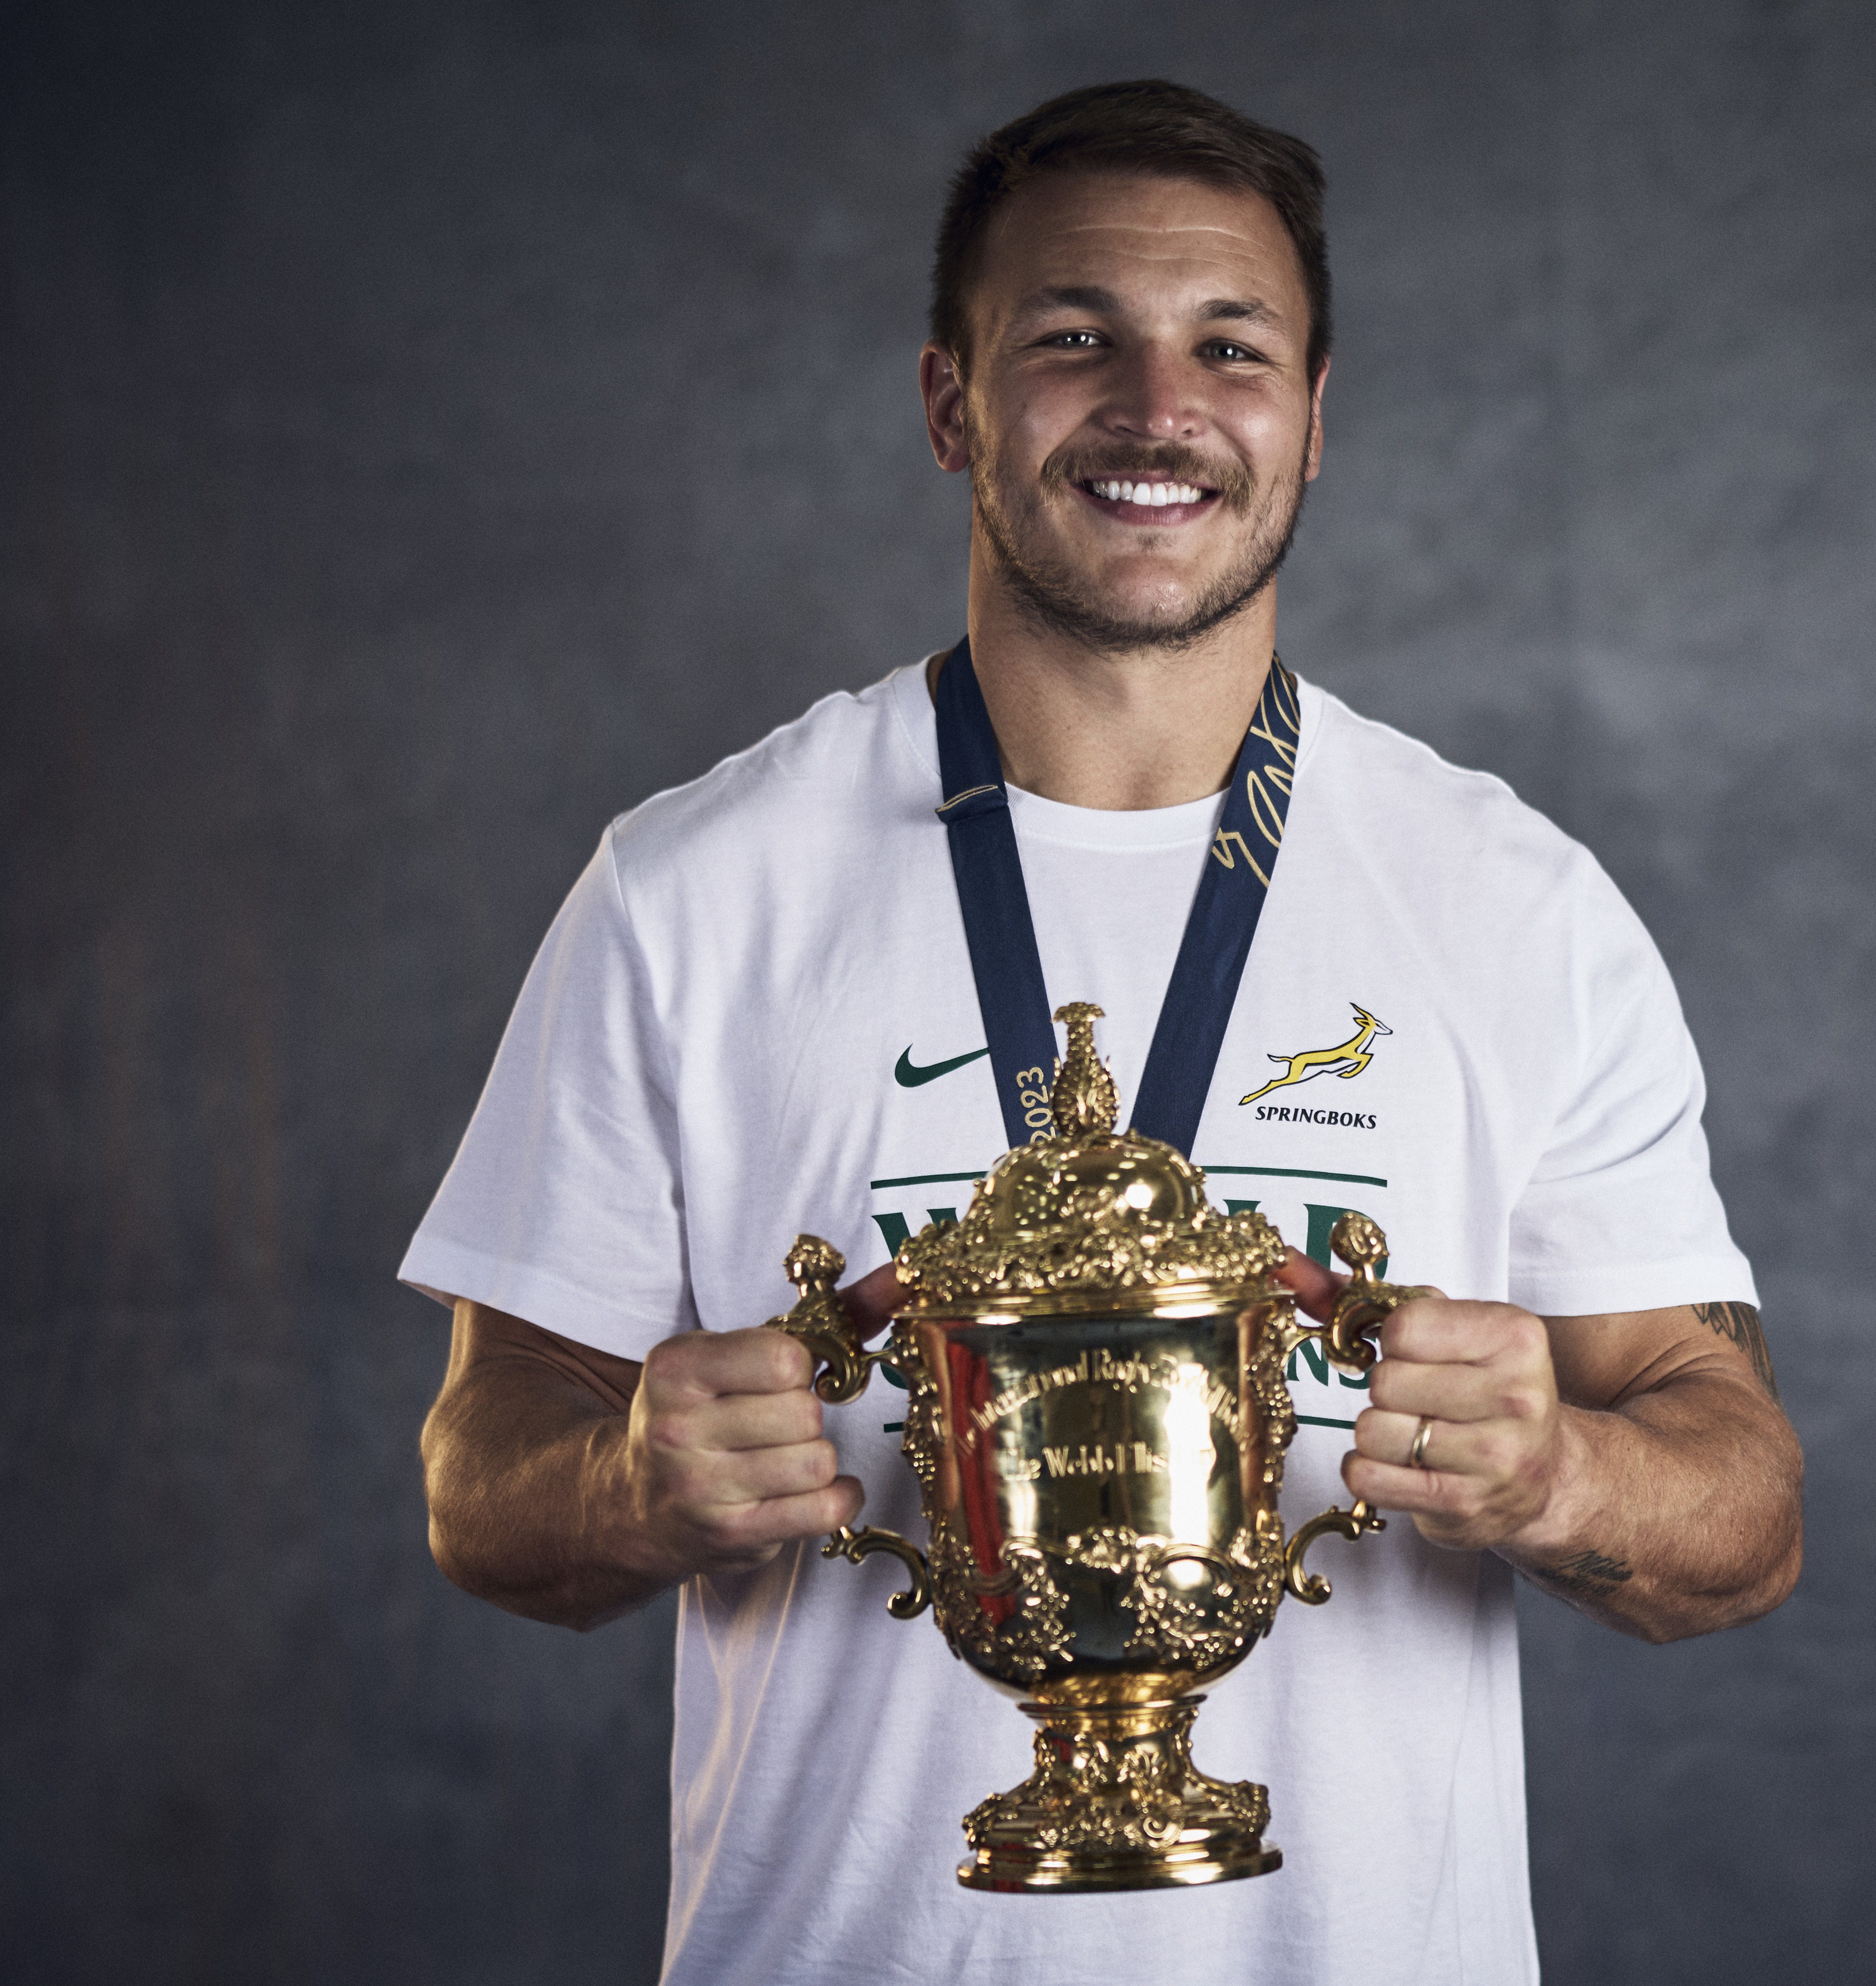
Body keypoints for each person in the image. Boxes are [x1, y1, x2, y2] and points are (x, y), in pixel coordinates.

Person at [409, 78, 1800, 1986]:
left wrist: (1565, 1473)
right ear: (950, 401)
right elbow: (480, 1474)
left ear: (1314, 415)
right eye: (1075, 339)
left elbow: (1745, 1510)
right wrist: (625, 1485)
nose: (1159, 408)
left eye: (1230, 346)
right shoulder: (690, 891)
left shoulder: (1516, 904)